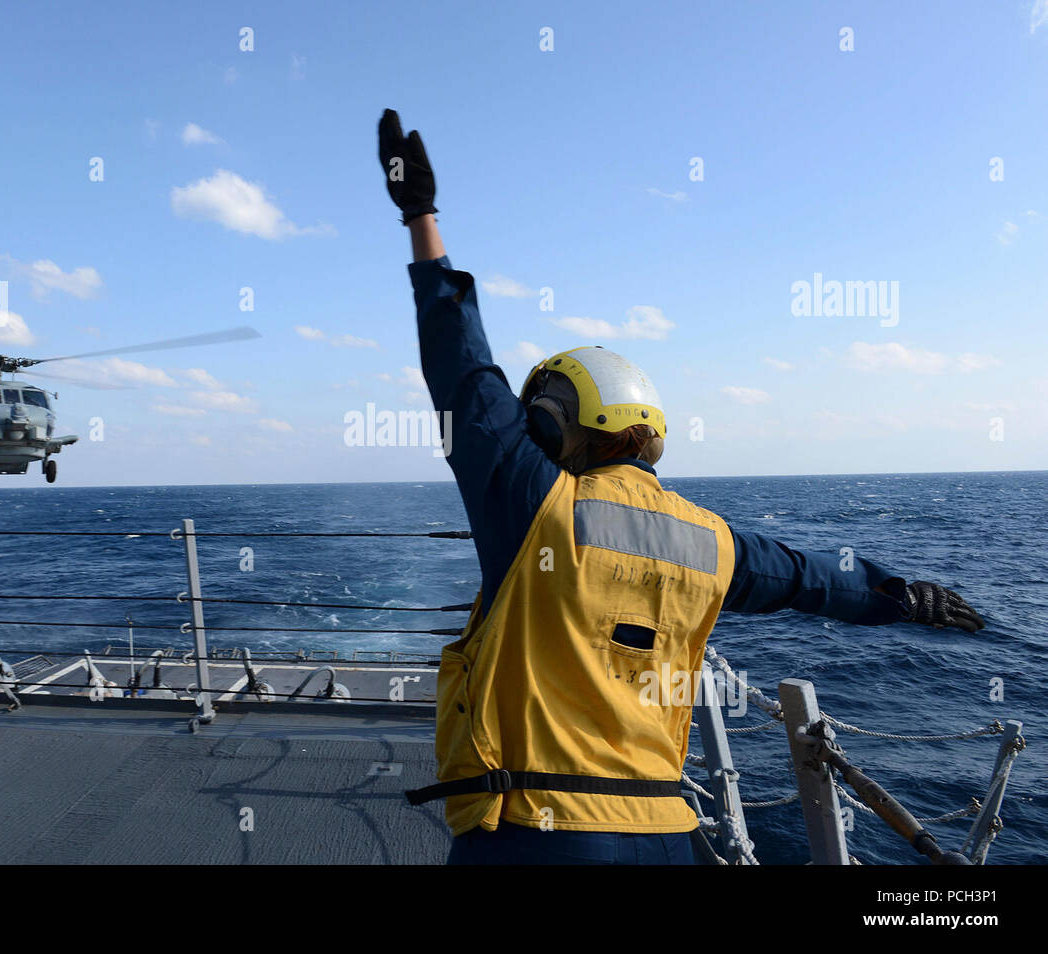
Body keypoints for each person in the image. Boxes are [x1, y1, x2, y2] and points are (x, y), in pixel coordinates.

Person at [376, 109, 987, 865]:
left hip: (539, 830)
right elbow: (814, 579)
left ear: (547, 428)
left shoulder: (536, 504)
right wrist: (912, 598)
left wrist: (420, 217)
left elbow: (462, 369)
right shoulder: (713, 543)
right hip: (666, 834)